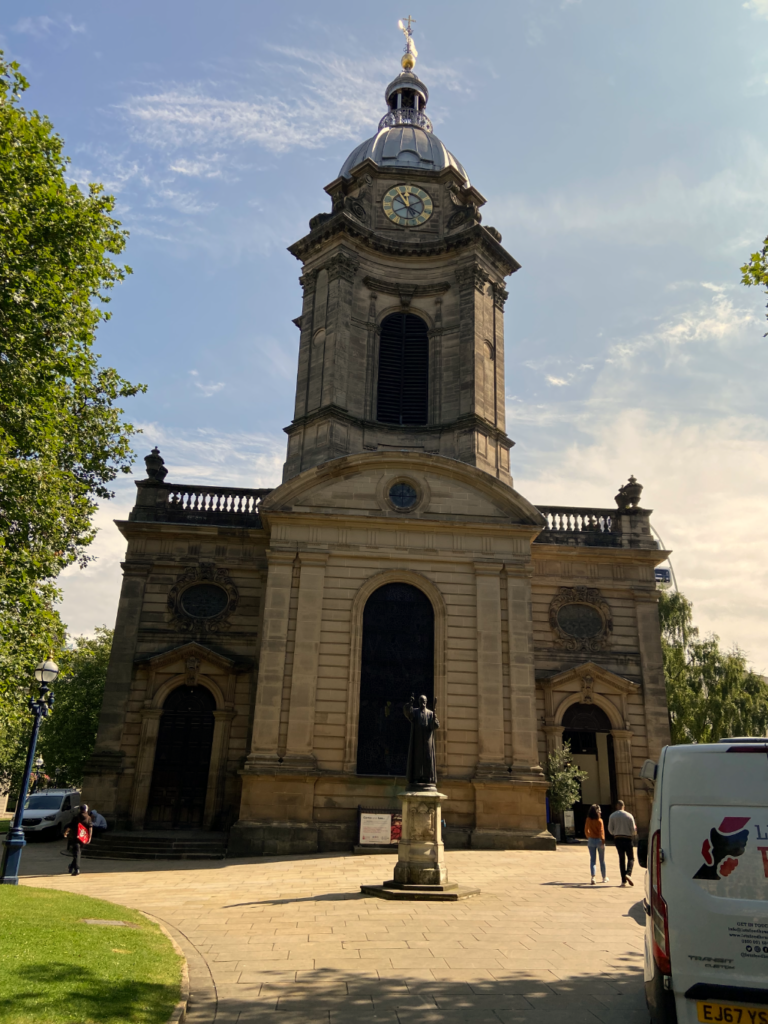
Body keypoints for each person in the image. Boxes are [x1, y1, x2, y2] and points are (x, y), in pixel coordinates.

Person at [607, 800, 637, 887]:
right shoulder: (629, 816)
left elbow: (610, 829)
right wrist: (632, 833)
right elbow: (633, 830)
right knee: (631, 858)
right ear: (624, 806)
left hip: (617, 838)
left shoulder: (612, 816)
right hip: (627, 838)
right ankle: (628, 873)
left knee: (621, 859)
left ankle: (623, 881)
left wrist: (615, 833)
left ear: (617, 806)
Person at [63, 803, 92, 876]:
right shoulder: (88, 818)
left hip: (75, 837)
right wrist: (89, 838)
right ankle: (72, 866)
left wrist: (66, 832)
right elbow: (90, 828)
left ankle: (76, 869)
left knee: (77, 853)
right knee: (78, 852)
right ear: (86, 810)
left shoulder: (76, 817)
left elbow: (71, 825)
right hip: (83, 838)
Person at [584, 803, 608, 884]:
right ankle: (604, 877)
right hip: (599, 840)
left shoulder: (588, 819)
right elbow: (602, 832)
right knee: (602, 860)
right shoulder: (600, 821)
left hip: (591, 840)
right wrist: (603, 841)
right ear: (596, 812)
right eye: (599, 811)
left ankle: (593, 877)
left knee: (592, 860)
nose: (600, 812)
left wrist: (589, 836)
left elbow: (586, 830)